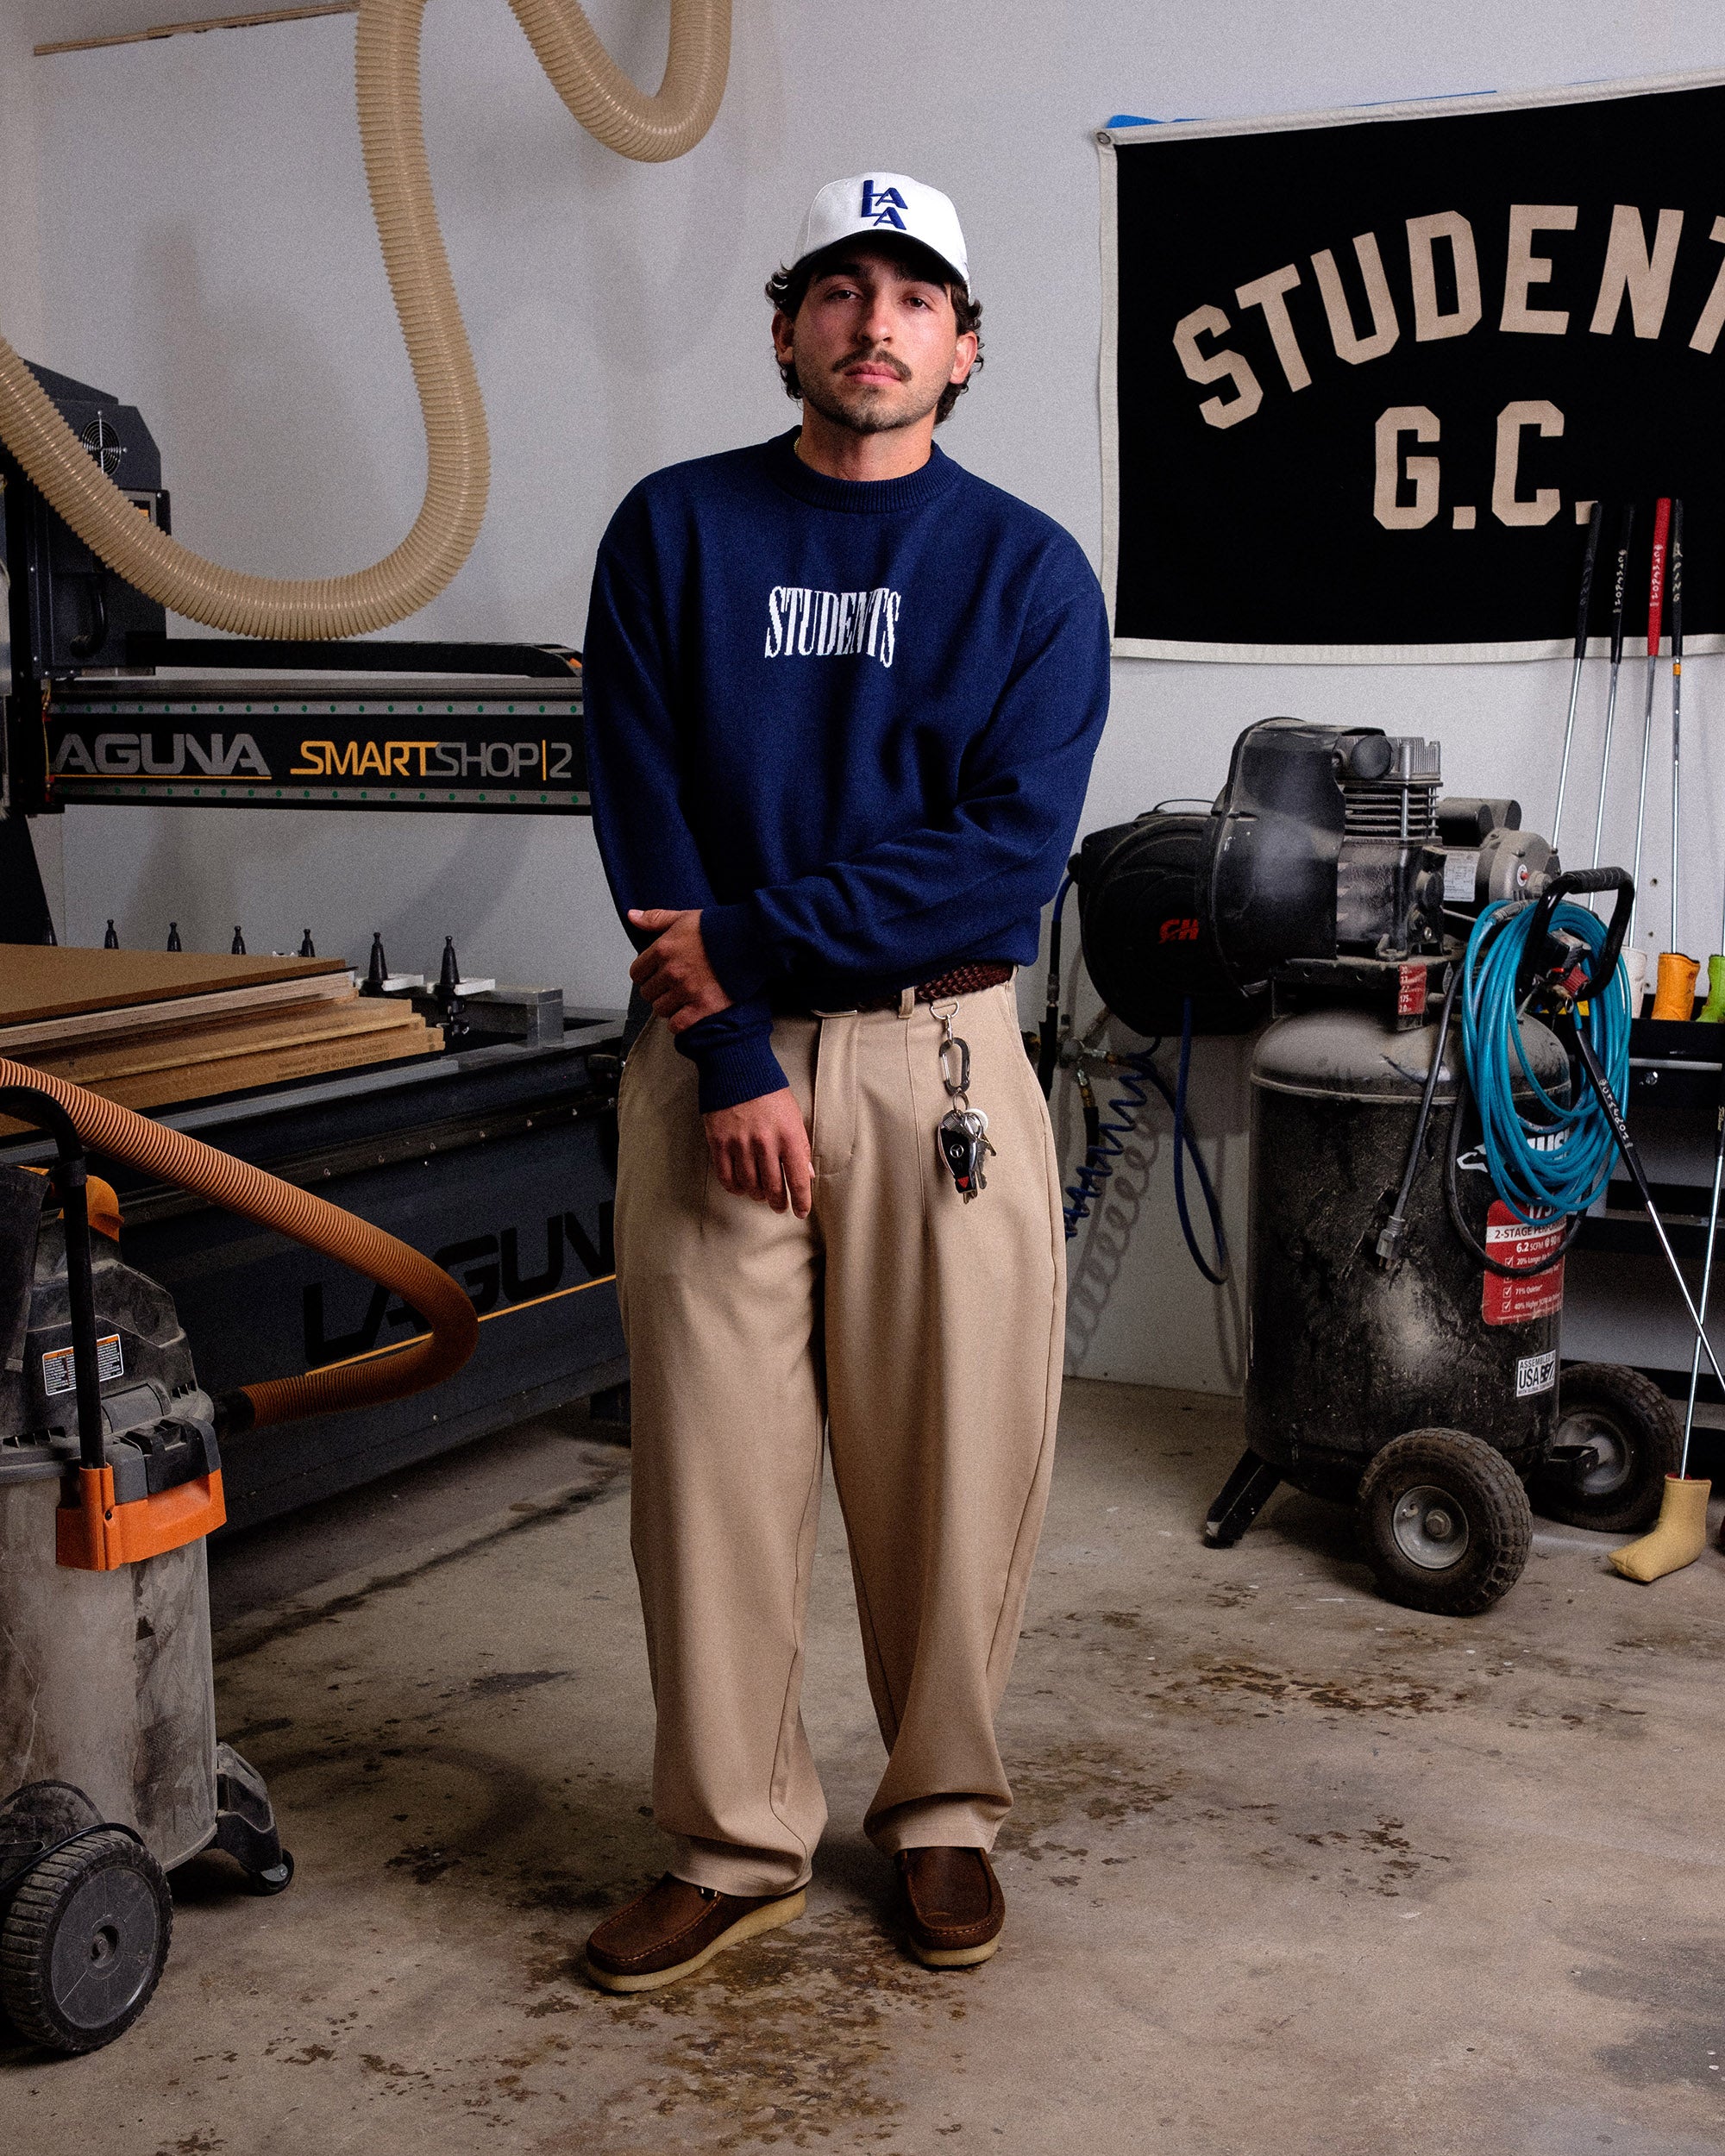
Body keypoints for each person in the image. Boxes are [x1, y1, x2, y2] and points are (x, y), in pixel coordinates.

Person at [580, 172, 1110, 1994]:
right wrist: (728, 1034)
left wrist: (745, 947)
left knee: (950, 1460)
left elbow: (1003, 861)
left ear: (965, 350)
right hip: (707, 1066)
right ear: (788, 321)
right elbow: (639, 810)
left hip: (938, 1056)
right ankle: (734, 1840)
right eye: (840, 285)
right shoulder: (674, 533)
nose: (874, 320)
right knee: (711, 1476)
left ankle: (941, 1807)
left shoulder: (1027, 570)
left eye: (916, 296)